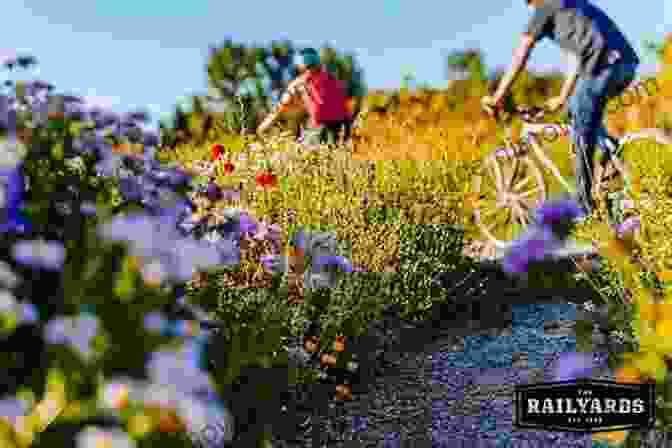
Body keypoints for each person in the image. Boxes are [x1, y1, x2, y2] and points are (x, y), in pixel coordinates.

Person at [482, 0, 640, 216]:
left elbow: (521, 53)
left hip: (604, 66)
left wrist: (498, 96)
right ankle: (609, 157)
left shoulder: (545, 8)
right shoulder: (571, 6)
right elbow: (579, 57)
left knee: (580, 131)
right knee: (576, 112)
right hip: (626, 65)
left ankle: (585, 209)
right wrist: (562, 97)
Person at [257, 48, 352, 146]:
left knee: (301, 151)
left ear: (301, 66)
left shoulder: (301, 83)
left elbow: (280, 107)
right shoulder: (331, 79)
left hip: (321, 128)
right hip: (344, 127)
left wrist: (262, 127)